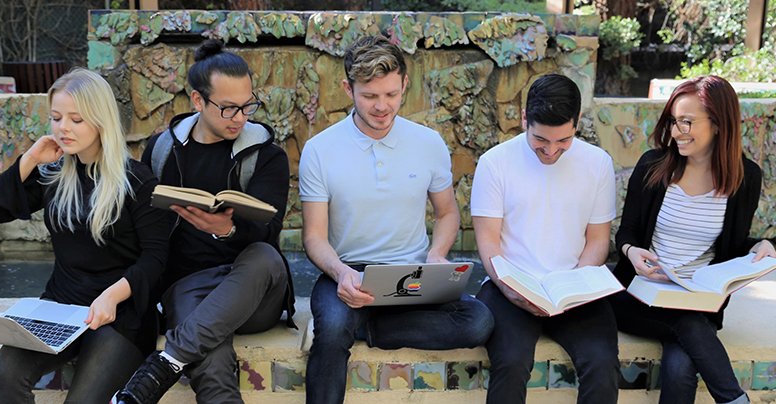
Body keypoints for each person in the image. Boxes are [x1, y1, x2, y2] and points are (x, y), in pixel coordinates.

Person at [299, 35, 494, 404]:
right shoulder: (319, 150)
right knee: (334, 328)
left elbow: (448, 213)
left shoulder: (428, 142)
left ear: (405, 83)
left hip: (412, 271)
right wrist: (341, 274)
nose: (382, 106)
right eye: (370, 96)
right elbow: (314, 237)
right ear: (347, 88)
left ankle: (368, 326)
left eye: (391, 94)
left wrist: (437, 254)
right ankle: (351, 323)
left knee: (479, 320)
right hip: (347, 271)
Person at [115, 40, 295, 404]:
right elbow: (144, 229)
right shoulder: (162, 150)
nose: (241, 118)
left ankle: (163, 365)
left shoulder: (267, 155)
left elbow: (270, 231)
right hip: (189, 287)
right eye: (228, 108)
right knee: (210, 359)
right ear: (198, 101)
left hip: (256, 290)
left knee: (263, 254)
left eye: (248, 106)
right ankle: (174, 358)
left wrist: (226, 229)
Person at [0, 68, 171, 403]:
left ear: (100, 121)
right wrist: (31, 158)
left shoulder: (138, 182)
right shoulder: (55, 176)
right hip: (60, 308)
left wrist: (113, 296)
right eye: (56, 117)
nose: (63, 128)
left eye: (76, 119)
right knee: (7, 373)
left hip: (119, 316)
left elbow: (157, 259)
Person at [611, 75, 774, 404]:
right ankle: (734, 399)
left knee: (681, 365)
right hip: (637, 296)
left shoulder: (745, 178)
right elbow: (625, 233)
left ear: (718, 124)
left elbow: (730, 245)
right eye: (673, 120)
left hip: (697, 300)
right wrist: (632, 252)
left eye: (686, 122)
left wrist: (762, 245)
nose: (675, 131)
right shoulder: (653, 166)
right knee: (688, 326)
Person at [472, 73, 620, 404]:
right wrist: (512, 291)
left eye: (563, 141)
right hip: (510, 286)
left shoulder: (597, 164)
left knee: (602, 364)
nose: (551, 151)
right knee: (511, 362)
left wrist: (574, 289)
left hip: (573, 288)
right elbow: (489, 243)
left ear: (577, 122)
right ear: (525, 118)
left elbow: (598, 240)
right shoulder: (495, 163)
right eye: (540, 139)